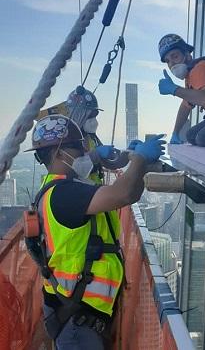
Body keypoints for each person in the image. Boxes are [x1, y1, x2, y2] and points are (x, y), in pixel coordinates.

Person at [26, 114, 165, 349]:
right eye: (80, 147)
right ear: (59, 153)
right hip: (77, 318)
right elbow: (124, 194)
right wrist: (140, 159)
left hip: (79, 311)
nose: (85, 151)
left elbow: (128, 190)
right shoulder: (65, 194)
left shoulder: (62, 187)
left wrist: (127, 161)